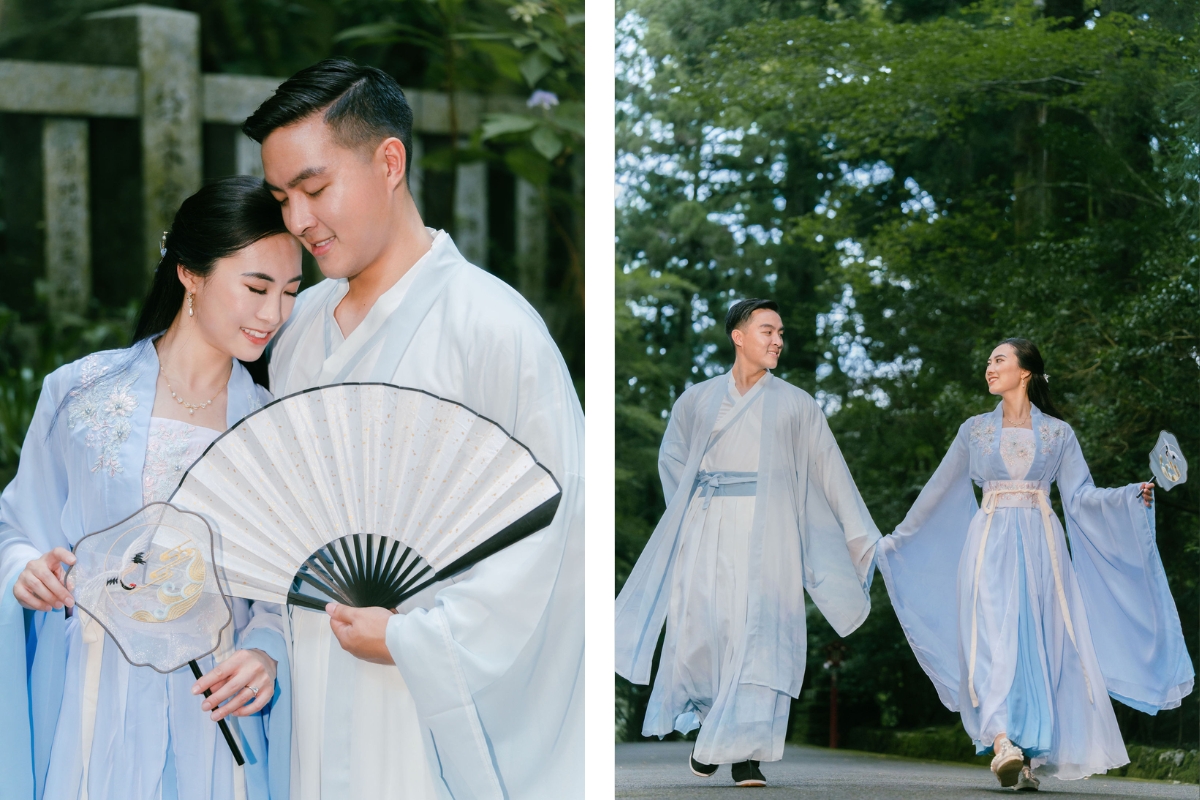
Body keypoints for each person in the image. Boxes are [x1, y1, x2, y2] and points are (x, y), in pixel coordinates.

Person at [242, 58, 584, 799]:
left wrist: (412, 639)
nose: (299, 221)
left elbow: (552, 537)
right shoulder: (295, 331)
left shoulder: (493, 329)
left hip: (423, 684)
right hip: (312, 665)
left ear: (389, 160)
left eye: (314, 188)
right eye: (281, 199)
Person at [0, 176, 303, 800]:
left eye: (291, 291)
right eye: (256, 286)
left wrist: (267, 649)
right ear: (190, 273)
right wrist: (25, 569)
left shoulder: (273, 425)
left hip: (213, 706)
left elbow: (289, 578)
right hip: (91, 691)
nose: (274, 313)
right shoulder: (79, 393)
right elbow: (19, 526)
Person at [875, 338, 1194, 790]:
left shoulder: (1059, 434)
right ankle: (1002, 741)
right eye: (988, 360)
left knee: (1038, 645)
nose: (989, 367)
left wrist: (1129, 495)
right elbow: (936, 491)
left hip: (1043, 546)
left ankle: (1027, 757)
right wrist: (896, 541)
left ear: (1024, 371)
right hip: (987, 544)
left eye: (998, 360)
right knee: (990, 638)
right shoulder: (974, 431)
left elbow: (1081, 497)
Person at [614, 298, 881, 787]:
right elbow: (672, 459)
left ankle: (746, 755)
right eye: (767, 330)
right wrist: (694, 507)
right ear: (738, 335)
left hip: (770, 533)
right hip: (708, 525)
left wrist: (862, 536)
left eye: (781, 332)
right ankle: (714, 729)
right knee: (703, 633)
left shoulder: (799, 405)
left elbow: (830, 474)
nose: (778, 339)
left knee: (759, 634)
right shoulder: (696, 400)